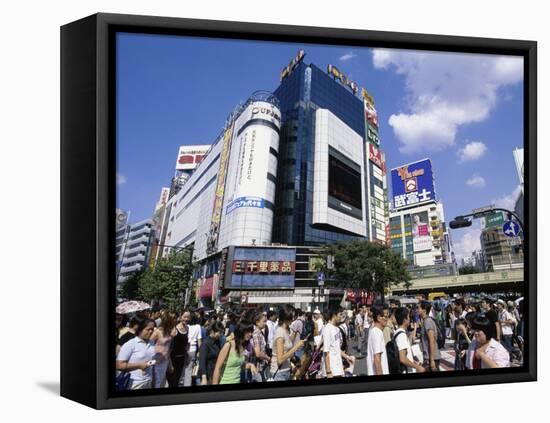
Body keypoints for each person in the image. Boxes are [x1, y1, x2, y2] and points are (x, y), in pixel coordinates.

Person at [116, 317, 156, 390]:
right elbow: (119, 365)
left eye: (152, 329)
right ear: (140, 329)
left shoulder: (152, 343)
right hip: (134, 383)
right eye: (148, 329)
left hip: (148, 382)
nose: (151, 331)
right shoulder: (131, 344)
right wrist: (139, 365)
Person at [271, 305, 306, 381]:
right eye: (292, 316)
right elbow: (280, 360)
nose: (293, 319)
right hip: (279, 373)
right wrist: (296, 347)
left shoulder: (286, 330)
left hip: (286, 371)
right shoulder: (280, 332)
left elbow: (286, 351)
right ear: (286, 316)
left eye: (294, 316)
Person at [322, 309, 355, 378]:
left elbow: (337, 348)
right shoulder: (327, 329)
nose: (341, 317)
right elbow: (326, 352)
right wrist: (328, 371)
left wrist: (347, 357)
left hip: (338, 367)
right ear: (334, 315)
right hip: (331, 369)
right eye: (340, 315)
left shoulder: (336, 329)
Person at [394, 307, 425, 373]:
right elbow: (402, 358)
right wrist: (417, 367)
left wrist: (413, 362)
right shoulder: (401, 335)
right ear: (405, 319)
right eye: (408, 317)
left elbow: (405, 356)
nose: (410, 319)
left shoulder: (397, 332)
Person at [150, 311, 176, 388]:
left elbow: (168, 348)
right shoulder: (157, 332)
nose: (174, 322)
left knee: (161, 383)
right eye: (172, 321)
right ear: (168, 322)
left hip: (164, 361)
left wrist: (170, 363)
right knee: (156, 384)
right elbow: (149, 345)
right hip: (156, 362)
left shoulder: (168, 332)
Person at [167, 310, 189, 388]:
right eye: (184, 317)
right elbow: (169, 346)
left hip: (182, 358)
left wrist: (187, 356)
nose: (186, 319)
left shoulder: (187, 328)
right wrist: (169, 362)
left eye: (188, 317)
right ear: (180, 317)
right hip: (172, 359)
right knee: (171, 381)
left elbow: (185, 344)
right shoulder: (174, 329)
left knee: (177, 381)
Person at [418, 300, 441, 372]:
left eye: (419, 308)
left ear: (424, 310)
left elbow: (432, 341)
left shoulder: (427, 321)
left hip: (431, 358)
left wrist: (432, 360)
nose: (417, 310)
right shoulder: (425, 321)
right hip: (429, 357)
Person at [366, 305, 389, 376]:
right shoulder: (377, 333)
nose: (387, 319)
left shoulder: (374, 331)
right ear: (379, 318)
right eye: (385, 316)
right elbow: (377, 360)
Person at [183, 311, 202, 387]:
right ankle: (187, 384)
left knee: (183, 368)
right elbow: (199, 340)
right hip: (193, 349)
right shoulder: (198, 327)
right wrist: (199, 352)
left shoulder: (186, 326)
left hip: (184, 348)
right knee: (189, 369)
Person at [251, 310, 271, 382]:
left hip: (261, 366)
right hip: (257, 367)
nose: (265, 324)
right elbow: (258, 353)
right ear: (257, 322)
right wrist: (268, 358)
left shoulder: (261, 333)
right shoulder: (256, 334)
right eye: (264, 321)